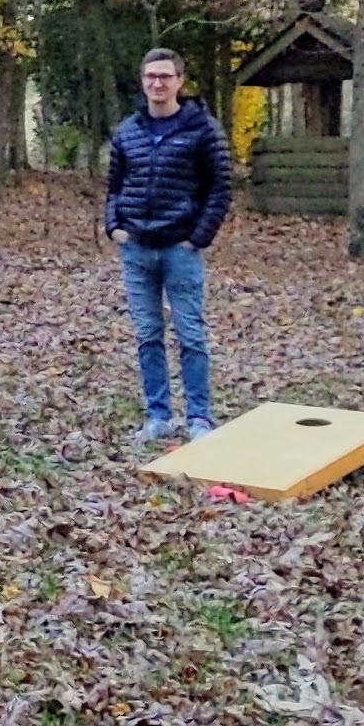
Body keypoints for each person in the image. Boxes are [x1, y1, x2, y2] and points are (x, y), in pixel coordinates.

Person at [103, 47, 233, 444]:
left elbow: (221, 186)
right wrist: (114, 227)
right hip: (137, 248)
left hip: (181, 248)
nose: (157, 83)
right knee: (147, 335)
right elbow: (114, 186)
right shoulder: (128, 131)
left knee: (190, 334)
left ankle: (199, 419)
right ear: (143, 82)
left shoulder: (203, 129)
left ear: (179, 81)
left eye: (165, 76)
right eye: (150, 77)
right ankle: (158, 416)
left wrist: (197, 238)